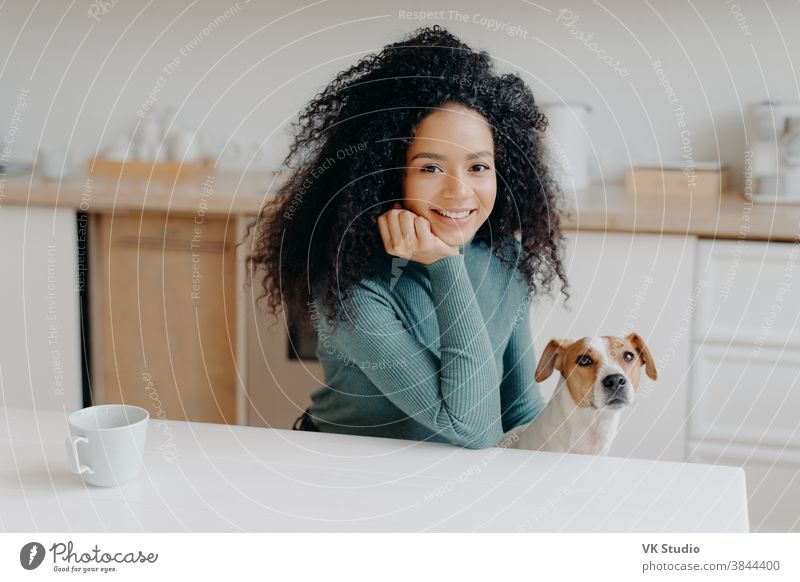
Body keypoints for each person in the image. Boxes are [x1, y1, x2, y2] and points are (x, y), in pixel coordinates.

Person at [249, 26, 568, 449]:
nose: (459, 192)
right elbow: (472, 428)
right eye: (430, 168)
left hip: (449, 480)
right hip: (344, 477)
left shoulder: (504, 259)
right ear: (386, 174)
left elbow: (518, 411)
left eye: (478, 167)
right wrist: (443, 263)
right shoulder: (351, 280)